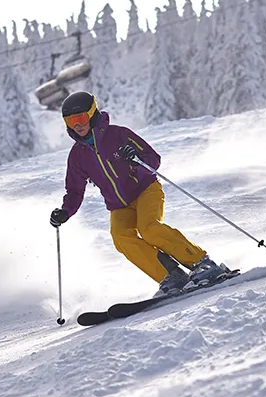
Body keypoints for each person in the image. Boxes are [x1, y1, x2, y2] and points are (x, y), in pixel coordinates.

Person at [49, 91, 230, 297]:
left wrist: (136, 159)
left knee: (150, 228)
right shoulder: (77, 156)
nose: (77, 125)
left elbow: (152, 158)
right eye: (70, 121)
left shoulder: (118, 135)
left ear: (92, 114)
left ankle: (202, 263)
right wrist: (65, 211)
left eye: (80, 118)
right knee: (121, 237)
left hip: (146, 190)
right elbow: (74, 190)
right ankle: (171, 275)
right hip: (119, 205)